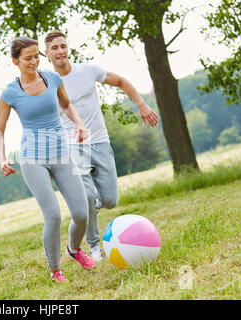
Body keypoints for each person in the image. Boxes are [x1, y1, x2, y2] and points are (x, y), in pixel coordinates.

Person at [44, 30, 159, 261]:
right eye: (54, 48)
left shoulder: (87, 71)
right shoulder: (46, 83)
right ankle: (94, 246)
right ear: (46, 53)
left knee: (109, 200)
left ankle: (89, 210)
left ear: (68, 49)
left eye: (63, 46)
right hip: (73, 145)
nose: (60, 51)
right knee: (85, 194)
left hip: (100, 141)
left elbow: (121, 81)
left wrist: (141, 104)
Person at [0, 36, 95, 283]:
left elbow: (67, 105)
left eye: (37, 56)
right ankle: (55, 270)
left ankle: (74, 248)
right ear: (15, 61)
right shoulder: (10, 93)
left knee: (82, 213)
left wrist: (79, 122)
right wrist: (2, 158)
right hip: (33, 157)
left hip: (61, 152)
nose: (34, 61)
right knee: (53, 215)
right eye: (28, 58)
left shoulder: (52, 79)